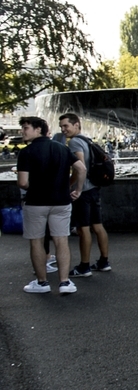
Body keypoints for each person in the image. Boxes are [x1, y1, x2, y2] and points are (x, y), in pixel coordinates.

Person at [17, 117, 86, 294]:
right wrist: (77, 189)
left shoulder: (27, 152)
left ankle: (42, 283)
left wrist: (36, 186)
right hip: (61, 201)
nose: (22, 132)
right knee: (61, 240)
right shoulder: (62, 148)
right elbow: (82, 169)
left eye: (26, 128)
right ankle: (65, 282)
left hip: (36, 203)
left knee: (37, 241)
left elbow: (23, 183)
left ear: (38, 129)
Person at [58, 113, 112, 277]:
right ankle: (104, 262)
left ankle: (84, 266)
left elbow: (80, 167)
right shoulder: (87, 140)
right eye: (61, 126)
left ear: (76, 125)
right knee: (97, 225)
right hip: (94, 188)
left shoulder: (75, 142)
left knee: (83, 228)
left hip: (84, 191)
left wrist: (74, 186)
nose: (63, 129)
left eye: (66, 126)